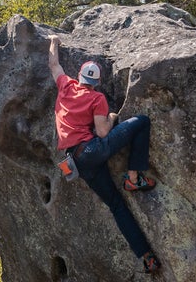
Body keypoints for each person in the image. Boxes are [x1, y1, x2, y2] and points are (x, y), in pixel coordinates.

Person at [48, 34, 161, 274]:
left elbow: (54, 64)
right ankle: (133, 177)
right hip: (92, 150)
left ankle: (147, 257)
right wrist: (111, 116)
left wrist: (54, 42)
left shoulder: (66, 86)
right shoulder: (97, 98)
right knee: (141, 121)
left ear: (79, 76)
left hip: (77, 162)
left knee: (116, 206)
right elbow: (102, 132)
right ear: (97, 81)